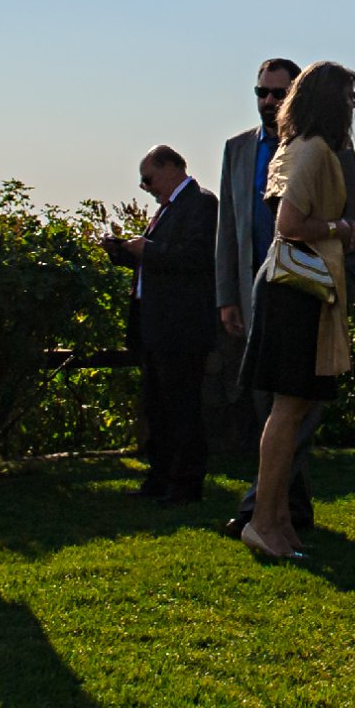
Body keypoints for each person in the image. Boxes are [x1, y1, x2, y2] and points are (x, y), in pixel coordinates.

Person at [218, 59, 355, 539]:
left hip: (290, 289)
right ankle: (264, 518)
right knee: (288, 409)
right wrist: (339, 229)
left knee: (292, 409)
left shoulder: (297, 147)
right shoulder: (312, 151)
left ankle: (276, 516)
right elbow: (291, 225)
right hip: (298, 290)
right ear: (329, 101)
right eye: (349, 98)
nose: (353, 107)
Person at [104, 145, 219, 506]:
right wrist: (125, 252)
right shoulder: (167, 210)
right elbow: (161, 261)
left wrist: (147, 250)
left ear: (171, 168)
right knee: (157, 407)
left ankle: (185, 485)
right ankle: (160, 478)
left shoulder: (201, 203)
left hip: (181, 329)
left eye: (148, 179)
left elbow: (196, 258)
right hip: (157, 327)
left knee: (181, 408)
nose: (146, 187)